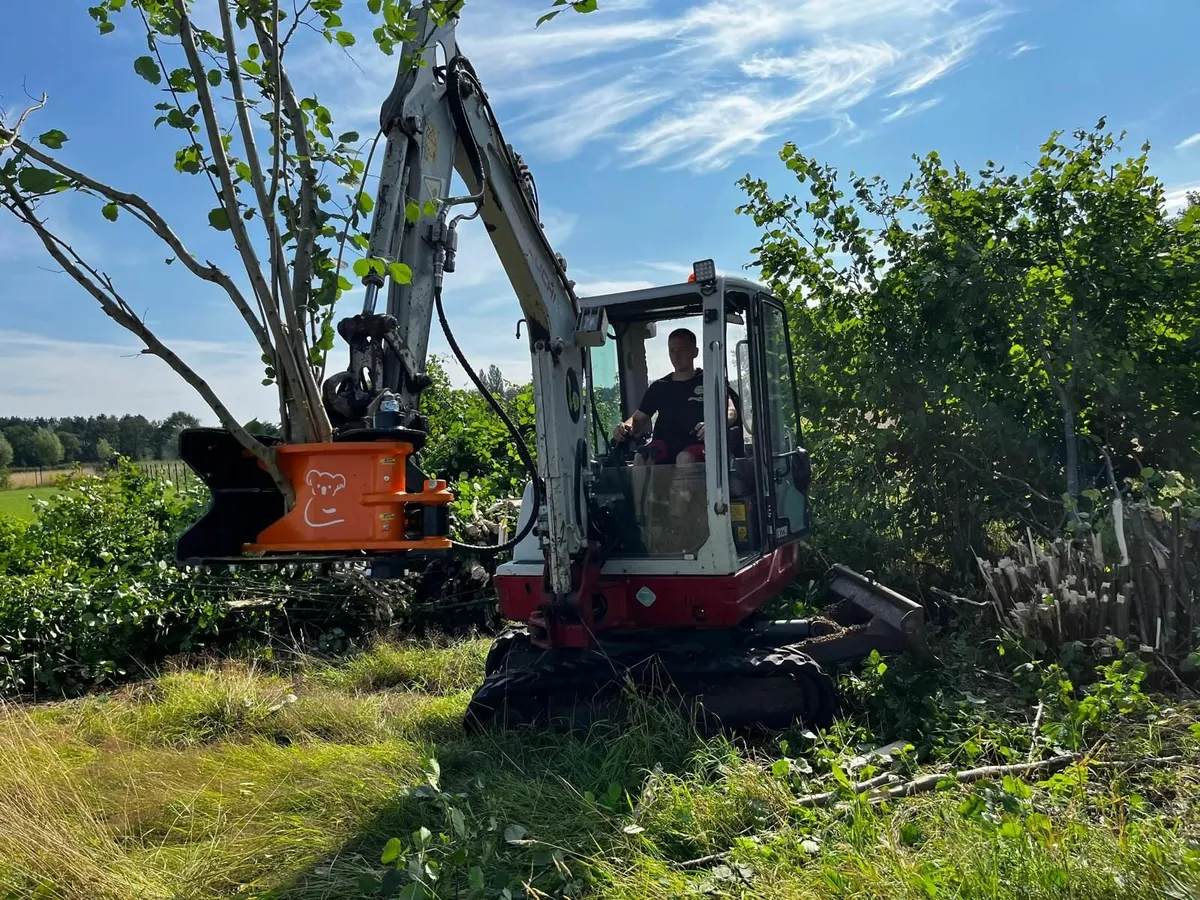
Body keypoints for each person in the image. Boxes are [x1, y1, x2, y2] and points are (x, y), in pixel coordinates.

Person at [612, 327, 740, 467]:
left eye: (681, 349)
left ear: (695, 352)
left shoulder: (710, 380)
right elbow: (638, 419)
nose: (676, 356)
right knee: (640, 457)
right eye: (672, 351)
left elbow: (731, 412)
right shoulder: (659, 387)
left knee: (684, 458)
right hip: (665, 448)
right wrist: (626, 427)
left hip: (700, 446)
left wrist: (714, 424)